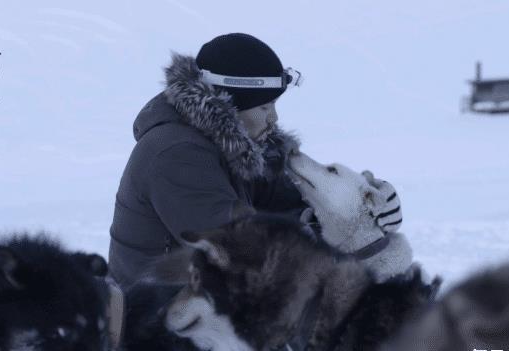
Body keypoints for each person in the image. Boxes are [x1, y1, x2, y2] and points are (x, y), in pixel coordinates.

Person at [108, 33, 401, 288]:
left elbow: (292, 202)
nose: (274, 118)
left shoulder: (233, 146)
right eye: (265, 106)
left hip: (211, 306)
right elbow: (242, 249)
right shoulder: (177, 153)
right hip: (158, 321)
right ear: (229, 105)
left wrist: (362, 208)